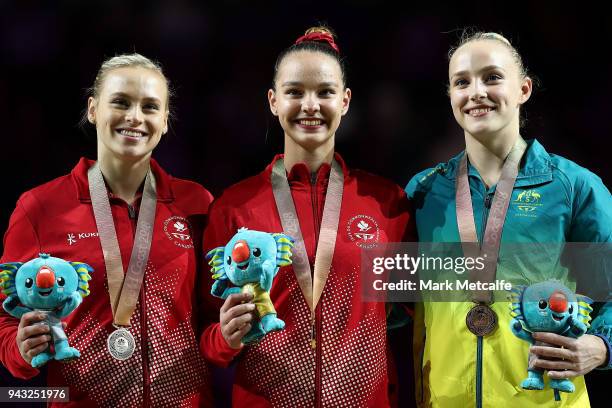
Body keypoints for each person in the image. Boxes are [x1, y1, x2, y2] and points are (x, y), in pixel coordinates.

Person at [199, 26, 415, 407]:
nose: (310, 105)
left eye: (325, 92)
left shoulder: (387, 204)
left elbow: (429, 316)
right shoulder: (234, 207)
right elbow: (204, 336)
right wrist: (225, 338)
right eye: (295, 92)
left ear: (345, 101)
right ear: (273, 101)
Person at [405, 31, 612, 407]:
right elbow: (388, 307)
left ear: (524, 89)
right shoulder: (423, 193)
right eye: (461, 82)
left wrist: (601, 345)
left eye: (492, 77)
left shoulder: (573, 188)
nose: (476, 92)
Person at [0, 53, 215, 407]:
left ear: (164, 122)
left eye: (150, 107)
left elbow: (212, 320)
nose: (135, 116)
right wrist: (20, 349)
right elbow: (5, 321)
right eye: (120, 102)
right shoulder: (40, 208)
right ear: (93, 109)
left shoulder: (196, 203)